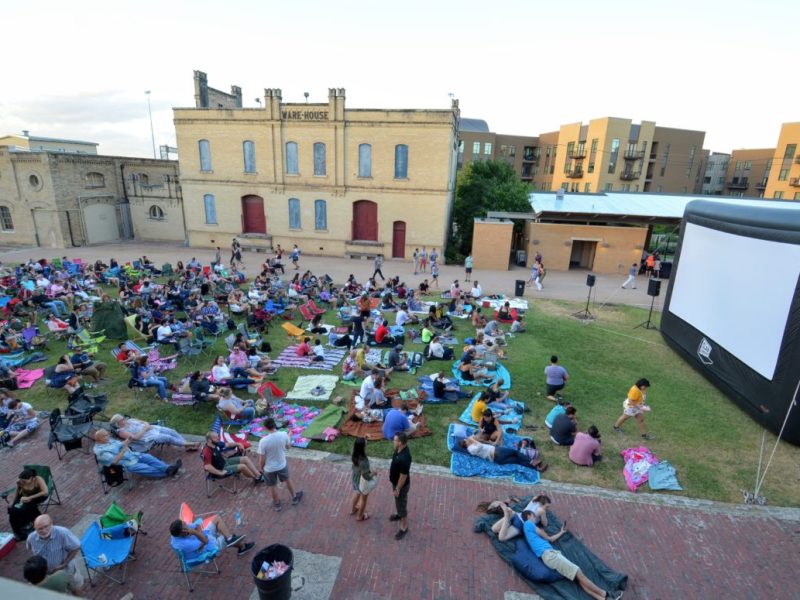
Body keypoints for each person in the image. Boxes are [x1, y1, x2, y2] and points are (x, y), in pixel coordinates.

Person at [521, 512, 622, 600]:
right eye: (534, 516)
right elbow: (545, 535)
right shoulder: (528, 523)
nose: (535, 519)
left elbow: (550, 539)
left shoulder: (529, 533)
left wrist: (561, 532)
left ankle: (602, 598)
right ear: (529, 515)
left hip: (549, 557)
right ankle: (607, 594)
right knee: (579, 573)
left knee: (578, 578)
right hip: (551, 555)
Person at [26, 515, 84, 593]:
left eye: (46, 526)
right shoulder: (31, 538)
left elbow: (76, 546)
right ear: (35, 528)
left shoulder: (63, 533)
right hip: (46, 574)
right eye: (40, 529)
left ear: (51, 524)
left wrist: (64, 564)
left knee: (75, 588)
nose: (44, 530)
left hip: (66, 570)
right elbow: (30, 549)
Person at [256, 418, 304, 512]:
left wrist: (262, 468)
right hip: (282, 465)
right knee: (287, 480)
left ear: (265, 428)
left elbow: (262, 459)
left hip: (269, 469)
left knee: (272, 486)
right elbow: (288, 447)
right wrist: (289, 436)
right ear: (275, 425)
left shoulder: (263, 441)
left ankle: (277, 504)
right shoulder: (283, 435)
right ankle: (294, 497)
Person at [93, 429, 181, 478]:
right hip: (126, 464)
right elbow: (114, 461)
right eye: (105, 436)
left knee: (149, 457)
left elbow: (120, 445)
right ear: (99, 439)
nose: (108, 436)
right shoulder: (100, 451)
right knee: (147, 468)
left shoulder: (108, 441)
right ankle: (168, 472)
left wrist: (128, 440)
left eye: (107, 435)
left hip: (133, 455)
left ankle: (168, 468)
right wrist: (123, 451)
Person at [170, 514, 254, 559]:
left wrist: (198, 533)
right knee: (224, 535)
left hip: (203, 537)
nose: (187, 525)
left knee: (216, 519)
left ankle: (230, 538)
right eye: (186, 526)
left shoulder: (180, 530)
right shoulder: (184, 544)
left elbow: (197, 525)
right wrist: (195, 532)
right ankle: (242, 547)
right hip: (206, 549)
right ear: (182, 532)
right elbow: (205, 542)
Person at [110, 414, 200, 451]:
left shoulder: (130, 420)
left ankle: (186, 445)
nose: (124, 420)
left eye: (123, 418)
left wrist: (147, 425)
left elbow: (144, 422)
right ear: (118, 423)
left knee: (172, 431)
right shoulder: (121, 431)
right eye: (122, 420)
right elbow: (135, 438)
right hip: (146, 438)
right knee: (168, 438)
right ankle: (190, 444)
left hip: (152, 428)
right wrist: (145, 429)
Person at [460, 437, 548, 472]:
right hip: (496, 452)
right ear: (465, 443)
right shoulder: (470, 449)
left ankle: (537, 468)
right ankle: (532, 461)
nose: (469, 440)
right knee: (516, 452)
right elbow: (479, 446)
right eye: (467, 440)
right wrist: (473, 440)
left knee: (518, 460)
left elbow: (482, 444)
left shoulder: (471, 447)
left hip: (497, 459)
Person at [7, 468, 48, 540]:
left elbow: (45, 492)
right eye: (22, 480)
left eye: (25, 481)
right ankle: (18, 531)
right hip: (24, 497)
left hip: (36, 496)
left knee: (25, 508)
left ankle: (31, 523)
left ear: (32, 478)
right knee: (12, 510)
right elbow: (17, 492)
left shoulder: (38, 479)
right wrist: (12, 502)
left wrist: (30, 497)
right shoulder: (20, 482)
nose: (23, 482)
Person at [389, 432, 411, 540]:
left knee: (401, 504)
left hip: (400, 486)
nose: (393, 441)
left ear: (400, 442)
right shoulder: (399, 450)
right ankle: (399, 514)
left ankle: (404, 527)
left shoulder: (405, 458)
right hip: (396, 483)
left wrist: (397, 488)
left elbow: (403, 476)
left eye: (395, 440)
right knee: (398, 502)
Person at [350, 437, 376, 522]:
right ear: (362, 447)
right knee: (363, 499)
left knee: (356, 492)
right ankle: (360, 516)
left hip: (355, 477)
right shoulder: (363, 461)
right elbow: (366, 476)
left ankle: (353, 509)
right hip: (361, 481)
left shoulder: (354, 453)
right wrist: (374, 473)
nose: (367, 444)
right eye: (366, 444)